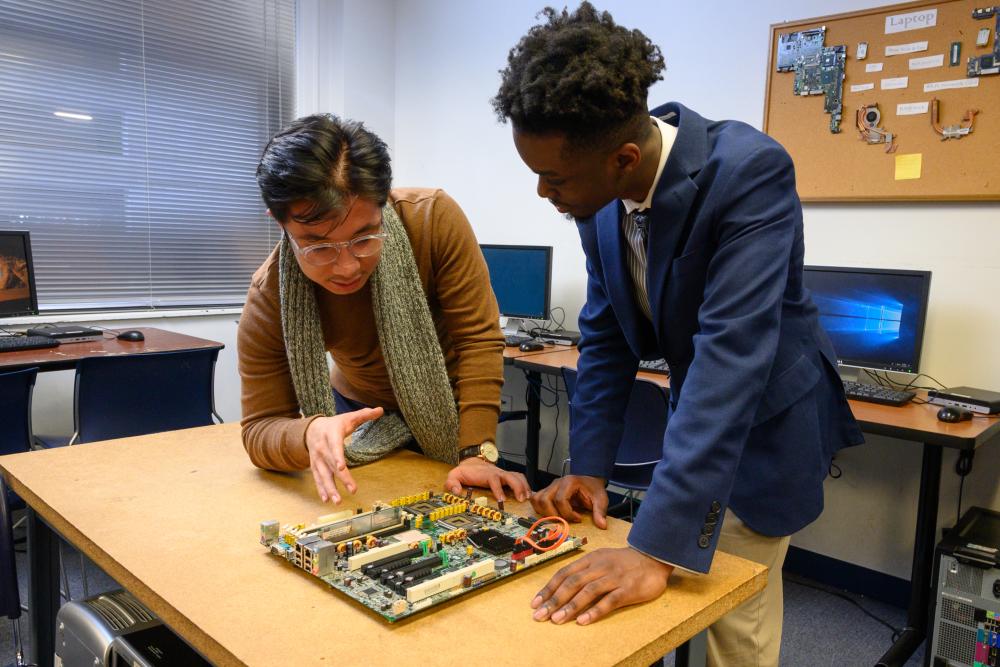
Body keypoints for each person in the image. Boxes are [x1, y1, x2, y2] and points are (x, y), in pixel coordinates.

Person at [492, 3, 864, 664]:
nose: (544, 193)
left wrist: (655, 547)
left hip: (763, 424)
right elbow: (606, 335)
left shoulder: (750, 173)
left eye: (554, 178)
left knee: (733, 627)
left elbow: (731, 360)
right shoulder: (597, 197)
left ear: (624, 158)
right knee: (656, 607)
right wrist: (589, 469)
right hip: (701, 415)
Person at [239, 114, 530, 506]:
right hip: (357, 415)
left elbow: (478, 341)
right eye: (319, 247)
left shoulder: (432, 220)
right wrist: (308, 433)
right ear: (279, 221)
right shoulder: (270, 293)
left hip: (453, 409)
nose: (347, 267)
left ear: (382, 202)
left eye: (364, 239)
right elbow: (259, 427)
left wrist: (477, 451)